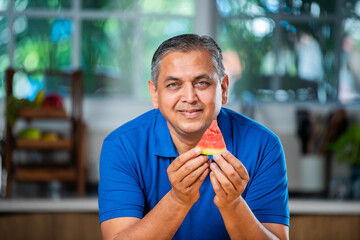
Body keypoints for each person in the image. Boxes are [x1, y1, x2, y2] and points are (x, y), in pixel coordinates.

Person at [98, 34, 290, 240]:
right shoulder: (121, 146)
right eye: (173, 84)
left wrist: (233, 204)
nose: (189, 98)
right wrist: (178, 199)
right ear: (155, 94)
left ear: (223, 89)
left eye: (201, 83)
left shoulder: (264, 145)